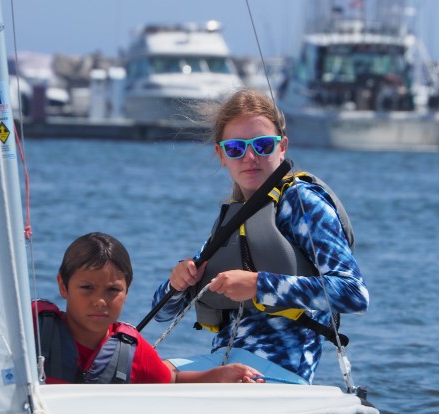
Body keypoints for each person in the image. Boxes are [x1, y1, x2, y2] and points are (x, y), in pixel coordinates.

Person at [151, 88, 369, 384]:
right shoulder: (233, 218)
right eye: (236, 148)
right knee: (139, 372)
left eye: (263, 145)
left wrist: (258, 285)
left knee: (154, 376)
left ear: (282, 147)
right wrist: (178, 282)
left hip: (278, 372)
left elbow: (354, 293)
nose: (250, 157)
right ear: (221, 155)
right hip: (222, 364)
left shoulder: (302, 203)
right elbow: (162, 313)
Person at [33, 232, 262, 384]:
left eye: (113, 290)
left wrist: (218, 375)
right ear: (63, 286)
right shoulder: (34, 327)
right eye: (87, 288)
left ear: (127, 291)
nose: (100, 300)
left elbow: (172, 381)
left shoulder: (131, 350)